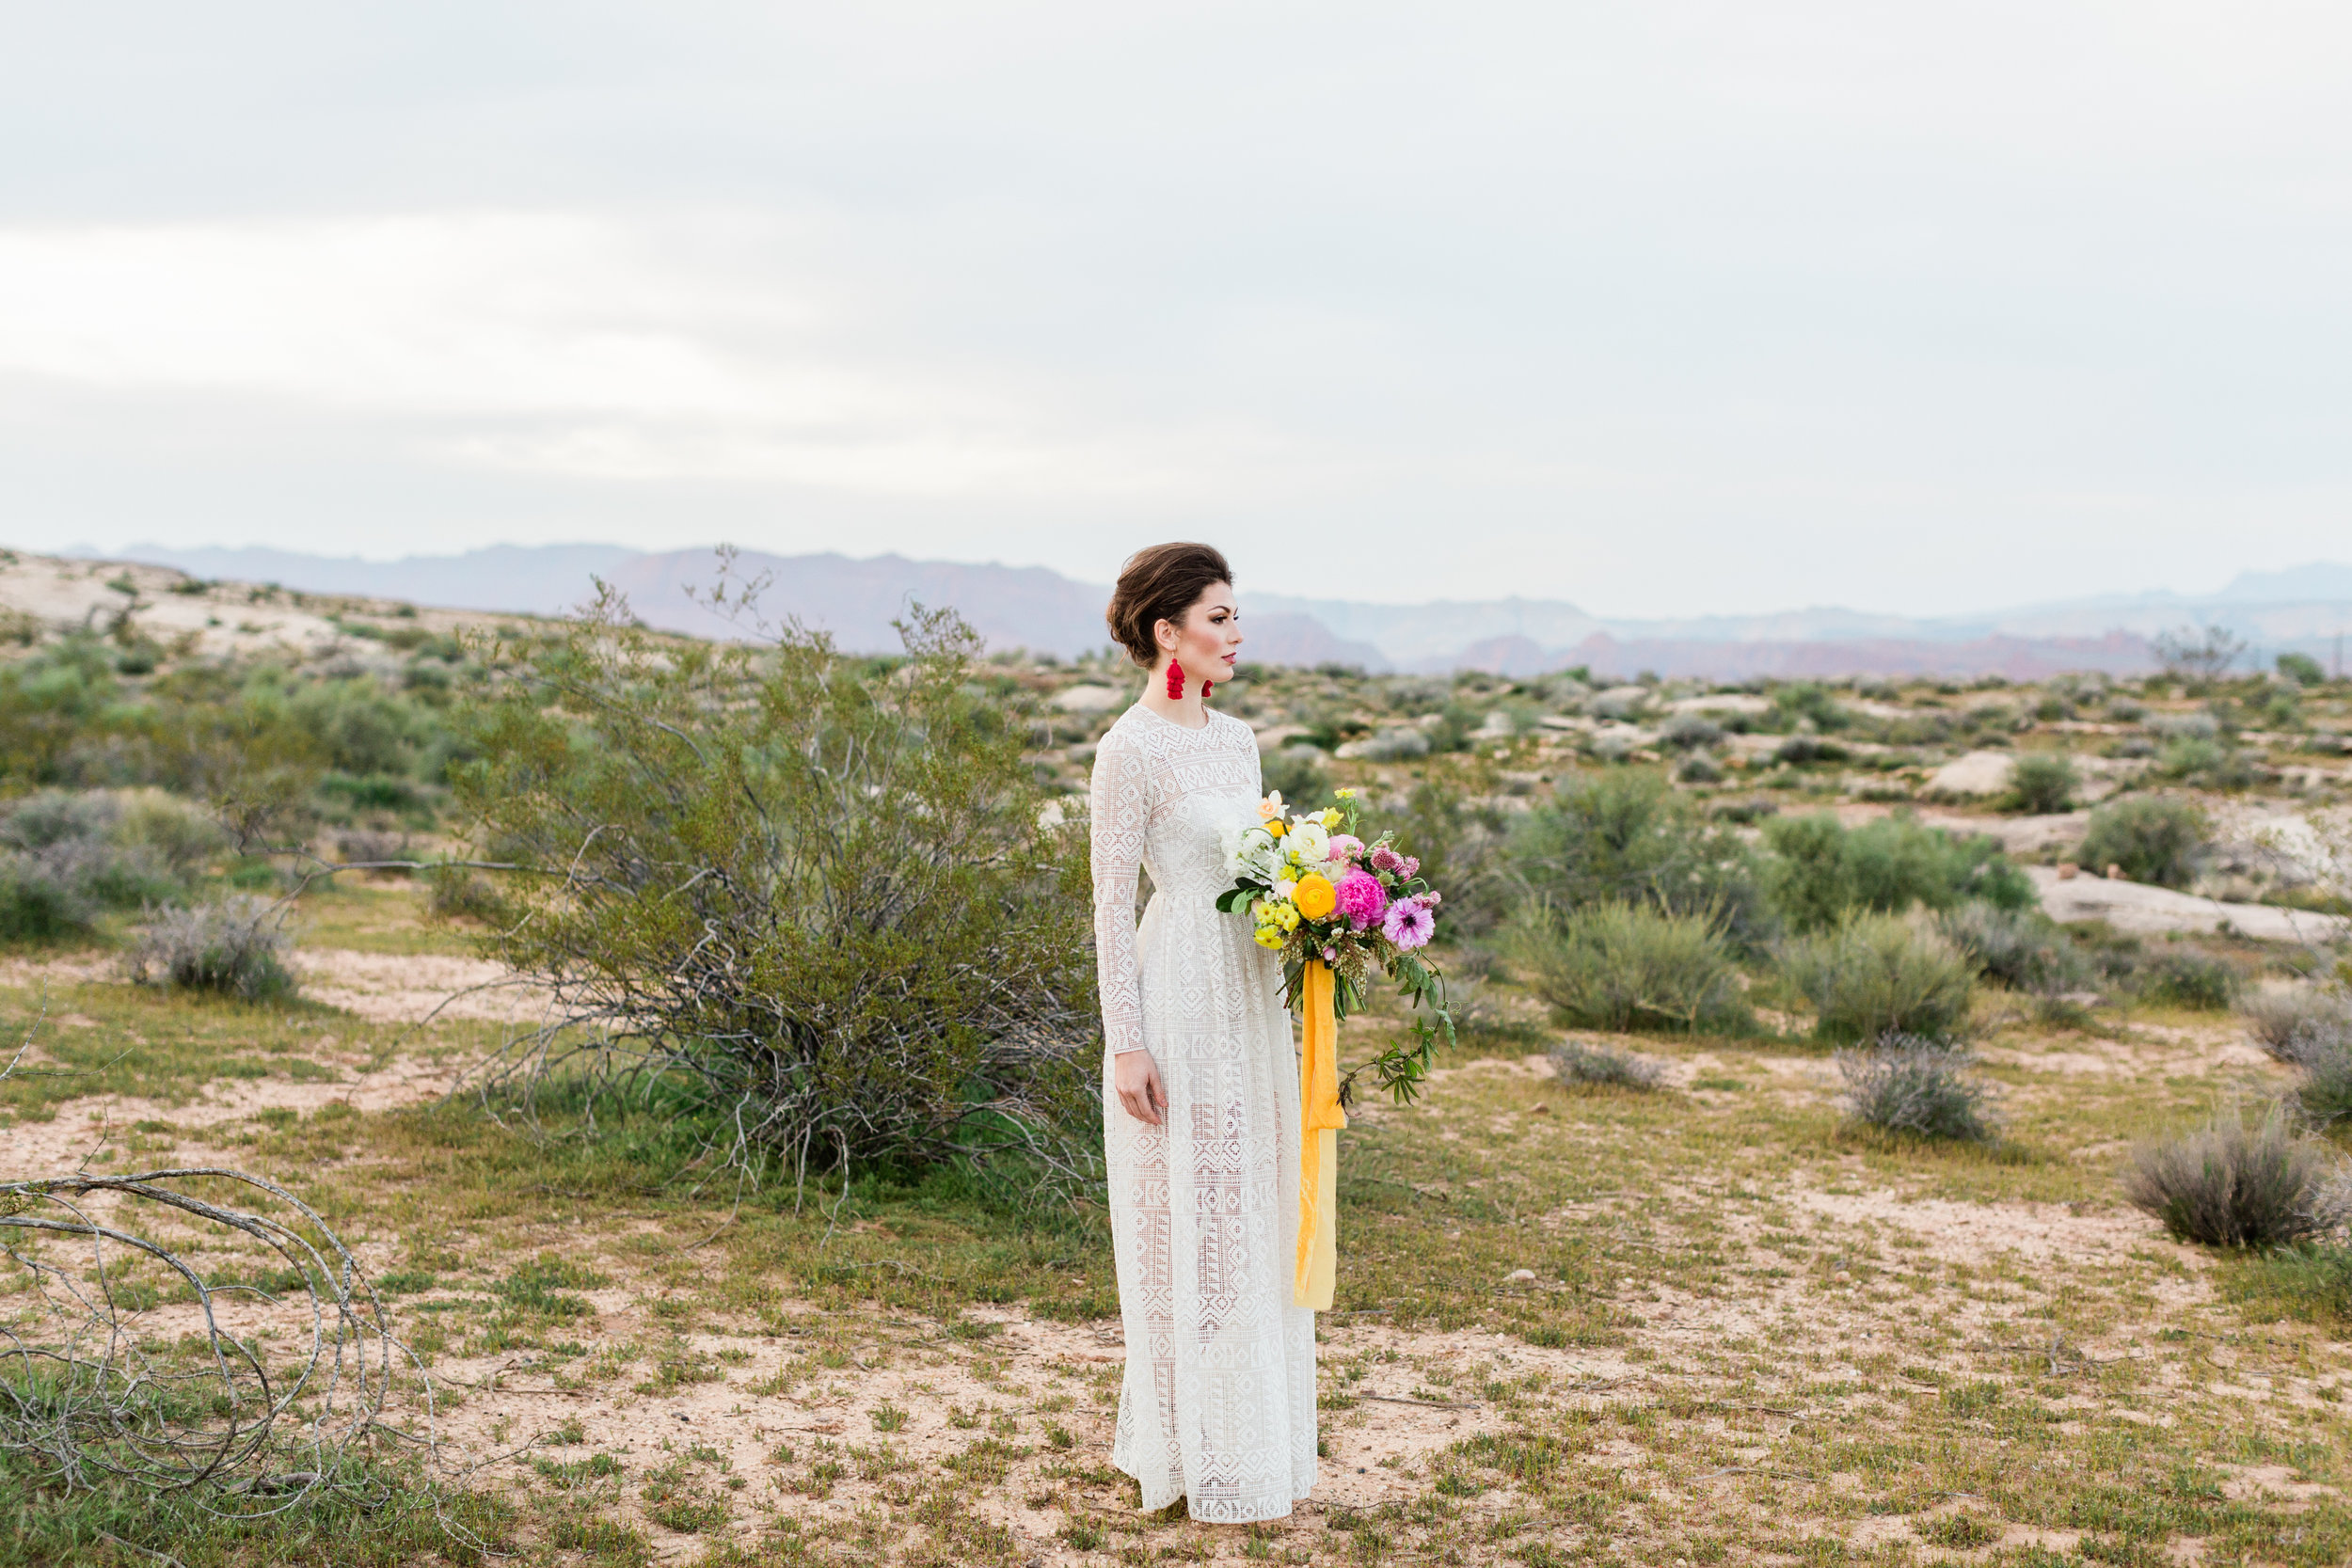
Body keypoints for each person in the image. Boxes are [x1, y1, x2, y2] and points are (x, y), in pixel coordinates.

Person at [1089, 542, 1316, 1522]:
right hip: (1176, 979)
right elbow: (1105, 907)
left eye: (1234, 614)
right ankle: (1185, 1447)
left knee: (1249, 1199)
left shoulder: (1238, 740)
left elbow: (1263, 865)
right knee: (1187, 1206)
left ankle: (1253, 1438)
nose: (1235, 632)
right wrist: (1124, 1041)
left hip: (1250, 985)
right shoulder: (1126, 750)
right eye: (1218, 616)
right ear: (1164, 631)